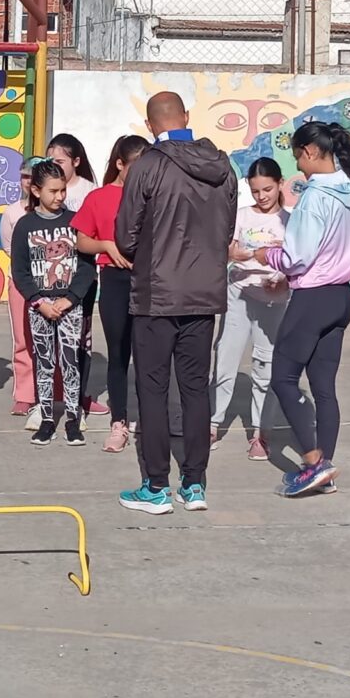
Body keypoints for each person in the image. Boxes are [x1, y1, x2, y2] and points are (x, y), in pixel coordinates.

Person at [116, 91, 237, 515]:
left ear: (150, 125)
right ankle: (195, 483)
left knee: (152, 389)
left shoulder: (148, 164)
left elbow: (124, 233)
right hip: (203, 294)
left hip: (156, 292)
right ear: (187, 117)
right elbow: (227, 228)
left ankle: (155, 485)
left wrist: (142, 251)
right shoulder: (223, 166)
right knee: (194, 388)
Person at [255, 122, 350, 497]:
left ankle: (316, 462)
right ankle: (324, 469)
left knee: (283, 379)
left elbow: (296, 256)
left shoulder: (316, 195)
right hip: (340, 296)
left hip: (315, 297)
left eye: (299, 156)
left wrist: (263, 253)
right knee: (323, 389)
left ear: (311, 152)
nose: (298, 166)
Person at [72, 135, 151, 453]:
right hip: (115, 280)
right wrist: (105, 245)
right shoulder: (99, 197)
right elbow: (81, 241)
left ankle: (150, 417)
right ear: (120, 164)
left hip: (149, 279)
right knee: (119, 353)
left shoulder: (153, 195)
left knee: (149, 354)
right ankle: (119, 420)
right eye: (137, 167)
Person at [10, 161, 96, 447]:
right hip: (40, 309)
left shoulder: (75, 222)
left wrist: (70, 298)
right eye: (53, 191)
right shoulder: (24, 225)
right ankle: (46, 419)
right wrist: (39, 301)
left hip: (71, 307)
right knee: (44, 363)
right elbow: (20, 271)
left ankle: (73, 418)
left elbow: (86, 267)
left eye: (62, 190)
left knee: (71, 362)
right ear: (36, 190)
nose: (59, 196)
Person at [209, 157, 290, 462]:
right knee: (226, 358)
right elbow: (227, 250)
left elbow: (294, 262)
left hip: (273, 300)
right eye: (256, 191)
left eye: (267, 189)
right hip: (238, 295)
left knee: (264, 365)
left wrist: (281, 278)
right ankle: (213, 423)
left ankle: (260, 433)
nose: (262, 196)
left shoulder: (289, 221)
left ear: (280, 184)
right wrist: (234, 254)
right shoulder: (241, 216)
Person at [47, 132, 107, 417]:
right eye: (50, 160)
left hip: (82, 276)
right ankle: (44, 397)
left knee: (81, 338)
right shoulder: (44, 188)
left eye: (60, 160)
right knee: (47, 338)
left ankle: (80, 395)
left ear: (76, 161)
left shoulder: (89, 191)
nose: (54, 164)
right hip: (47, 277)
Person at [0, 156, 38, 418]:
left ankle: (57, 391)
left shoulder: (57, 210)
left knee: (54, 343)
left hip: (52, 283)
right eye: (24, 176)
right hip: (21, 283)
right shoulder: (12, 212)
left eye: (33, 176)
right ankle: (24, 395)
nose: (28, 181)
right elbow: (9, 247)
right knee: (23, 339)